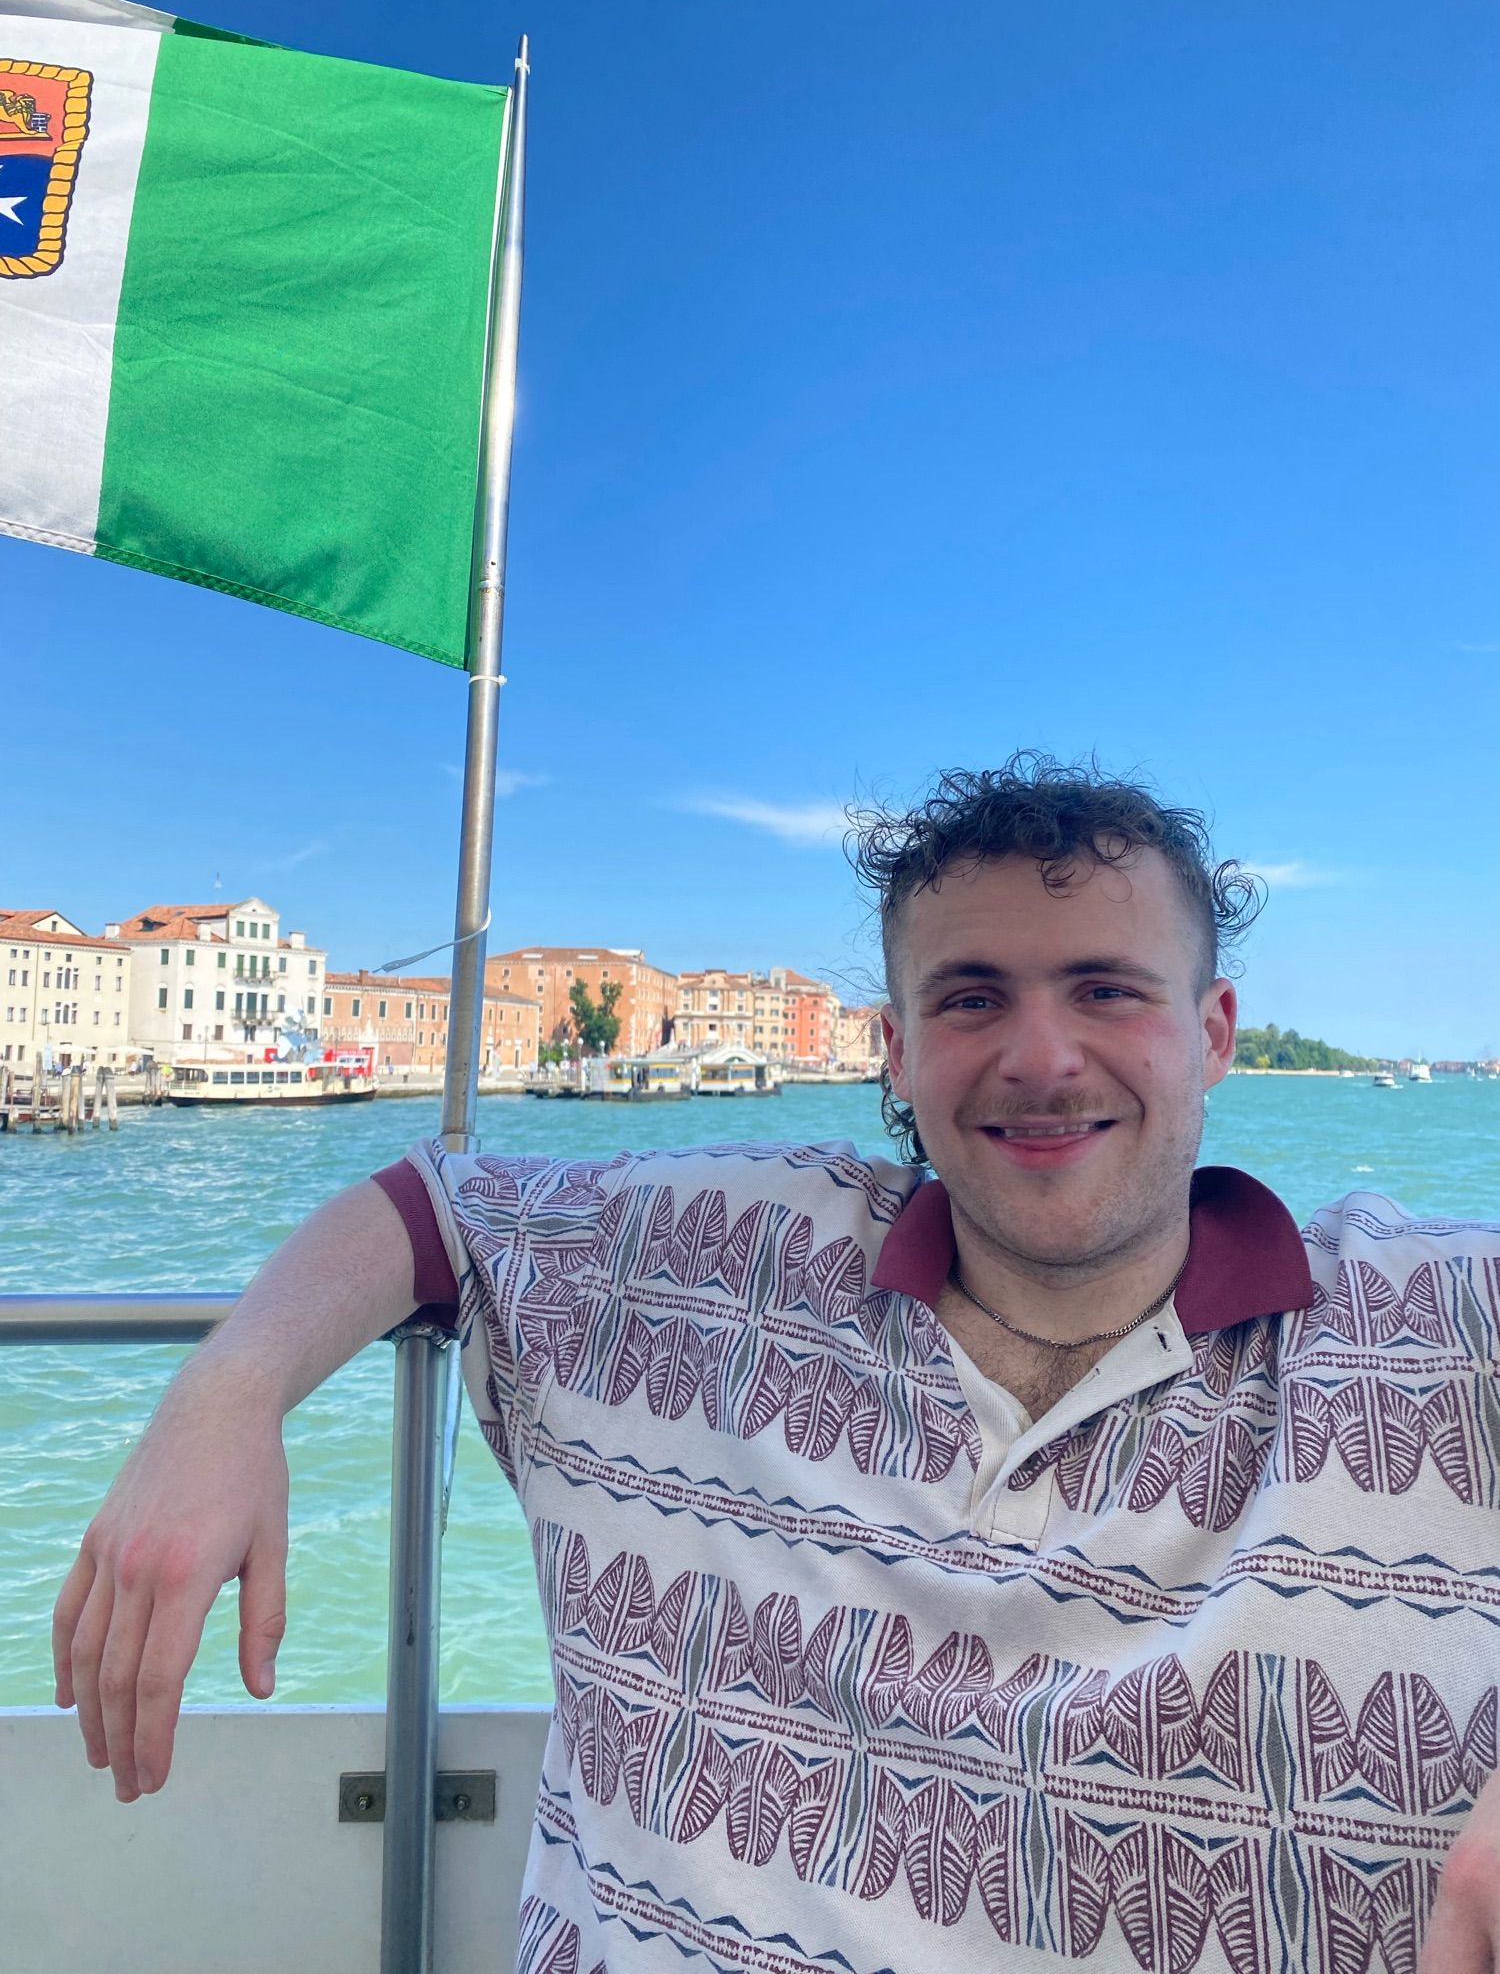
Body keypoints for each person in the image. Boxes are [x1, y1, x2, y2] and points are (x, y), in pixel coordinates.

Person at [53, 756, 1500, 1973]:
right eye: (972, 996)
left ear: (1214, 1032)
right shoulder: (707, 1258)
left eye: (1109, 990)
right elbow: (435, 1210)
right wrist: (226, 1396)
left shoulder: (1434, 1320)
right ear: (896, 1047)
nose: (1041, 1055)